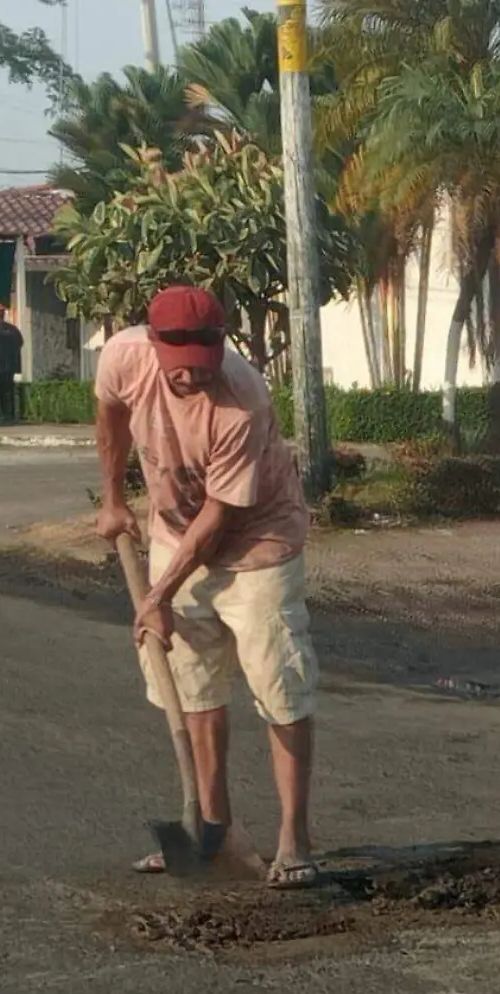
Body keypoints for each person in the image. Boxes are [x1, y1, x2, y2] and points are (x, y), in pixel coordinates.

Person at [92, 285, 322, 888]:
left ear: (222, 348)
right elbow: (111, 411)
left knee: (279, 686)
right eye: (181, 369)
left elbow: (218, 520)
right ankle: (211, 832)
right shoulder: (123, 356)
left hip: (259, 542)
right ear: (154, 346)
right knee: (193, 692)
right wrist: (114, 499)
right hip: (173, 529)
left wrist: (157, 596)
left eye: (204, 366)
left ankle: (293, 841)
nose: (193, 379)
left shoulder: (242, 397)